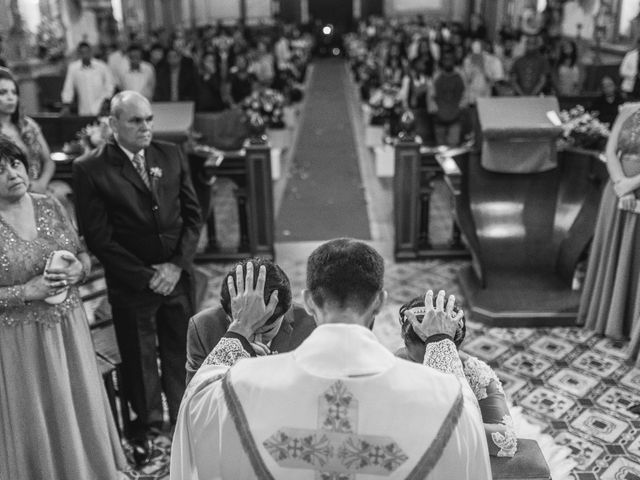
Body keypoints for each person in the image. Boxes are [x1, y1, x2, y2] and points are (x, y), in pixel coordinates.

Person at [171, 239, 491, 479]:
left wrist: (240, 326)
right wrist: (439, 340)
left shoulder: (241, 385)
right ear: (380, 302)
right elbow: (463, 410)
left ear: (308, 301)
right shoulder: (442, 395)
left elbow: (198, 400)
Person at [72, 90, 202, 464]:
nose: (145, 127)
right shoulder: (90, 168)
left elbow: (193, 215)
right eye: (135, 121)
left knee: (182, 352)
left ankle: (185, 416)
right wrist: (146, 276)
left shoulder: (170, 154)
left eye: (148, 119)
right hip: (132, 284)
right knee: (140, 359)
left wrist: (176, 265)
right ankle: (149, 432)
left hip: (176, 277)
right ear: (113, 125)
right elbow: (99, 238)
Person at [0, 138, 126, 479]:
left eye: (15, 163)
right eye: (0, 170)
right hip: (17, 339)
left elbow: (81, 254)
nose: (12, 173)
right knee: (35, 412)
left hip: (68, 328)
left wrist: (78, 270)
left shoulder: (49, 205)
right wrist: (25, 291)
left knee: (76, 403)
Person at [396, 295, 517, 458]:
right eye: (415, 360)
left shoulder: (476, 373)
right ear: (404, 340)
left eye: (440, 358)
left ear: (454, 348)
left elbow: (507, 440)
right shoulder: (394, 362)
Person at [185, 258, 316, 384]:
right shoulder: (203, 327)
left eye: (266, 331)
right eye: (247, 328)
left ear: (285, 313)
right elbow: (194, 399)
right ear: (228, 316)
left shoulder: (312, 324)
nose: (256, 340)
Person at [578, 104, 640, 366]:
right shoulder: (628, 111)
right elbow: (611, 151)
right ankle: (608, 317)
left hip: (634, 188)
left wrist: (632, 184)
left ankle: (629, 324)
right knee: (614, 251)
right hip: (616, 193)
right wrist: (619, 185)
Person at [0, 68, 54, 194]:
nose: (10, 98)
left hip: (38, 188)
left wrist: (42, 183)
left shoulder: (28, 125)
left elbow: (48, 161)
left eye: (14, 92)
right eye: (3, 93)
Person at [61, 41, 114, 115]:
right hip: (83, 111)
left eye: (87, 52)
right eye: (82, 52)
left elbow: (109, 86)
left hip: (102, 109)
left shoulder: (102, 66)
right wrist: (66, 104)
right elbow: (68, 87)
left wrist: (106, 101)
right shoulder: (73, 68)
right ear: (79, 54)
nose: (85, 54)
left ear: (90, 52)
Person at [430, 49, 466, 146]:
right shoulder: (436, 76)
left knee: (453, 147)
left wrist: (459, 110)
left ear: (454, 61)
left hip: (455, 118)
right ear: (442, 61)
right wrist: (436, 112)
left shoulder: (460, 76)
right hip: (439, 119)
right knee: (441, 149)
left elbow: (465, 94)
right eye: (445, 59)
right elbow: (431, 96)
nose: (448, 62)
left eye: (450, 59)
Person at [620, 36, 640, 100]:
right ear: (638, 44)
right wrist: (635, 74)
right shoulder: (630, 55)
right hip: (629, 87)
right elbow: (622, 71)